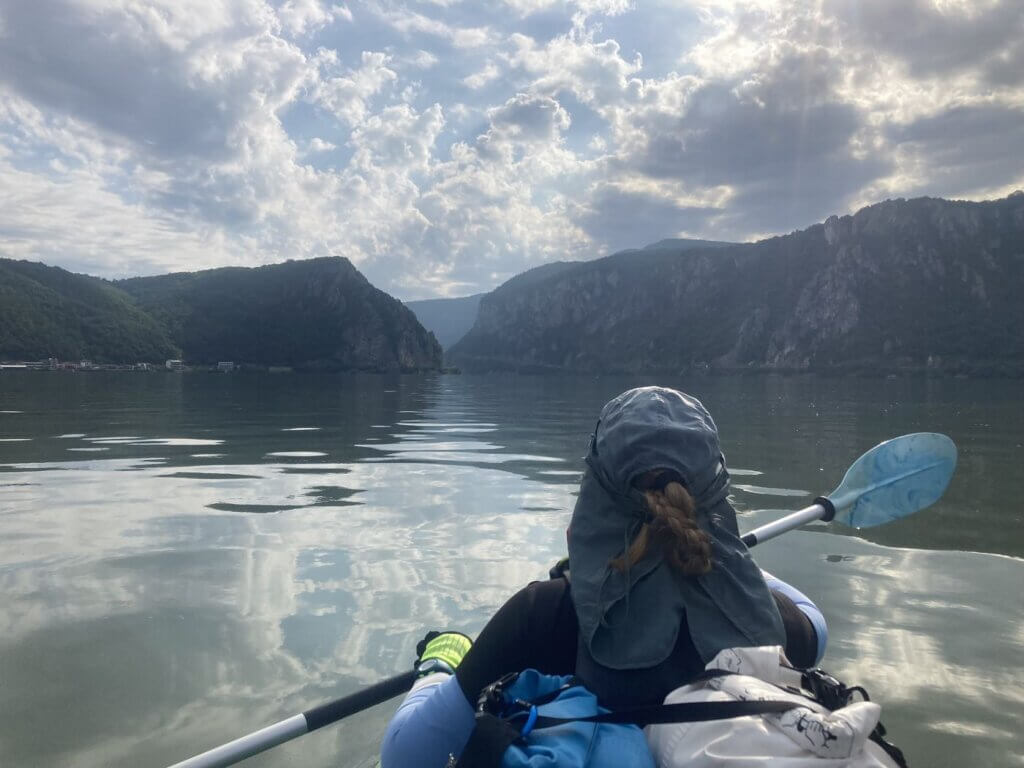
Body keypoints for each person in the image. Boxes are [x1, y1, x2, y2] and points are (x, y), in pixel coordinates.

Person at [380, 387, 828, 768]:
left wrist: (439, 666)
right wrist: (722, 557)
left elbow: (405, 753)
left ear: (594, 495)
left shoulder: (543, 616)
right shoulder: (770, 624)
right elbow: (816, 624)